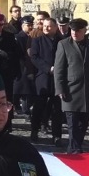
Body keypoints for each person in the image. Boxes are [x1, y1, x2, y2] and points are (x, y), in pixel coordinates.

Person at [54, 18, 89, 154]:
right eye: (73, 30)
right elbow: (59, 69)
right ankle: (75, 150)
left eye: (78, 31)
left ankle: (76, 147)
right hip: (70, 91)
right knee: (72, 123)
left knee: (83, 123)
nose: (74, 33)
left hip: (87, 90)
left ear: (84, 31)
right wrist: (59, 88)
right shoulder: (63, 44)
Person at [30, 17, 62, 145]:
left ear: (55, 27)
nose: (46, 28)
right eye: (44, 26)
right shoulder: (37, 41)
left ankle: (57, 135)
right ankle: (35, 130)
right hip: (43, 77)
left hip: (57, 79)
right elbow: (34, 57)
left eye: (49, 26)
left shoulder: (61, 41)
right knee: (39, 106)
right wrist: (48, 68)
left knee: (57, 108)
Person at [13, 15, 36, 121]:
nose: (31, 27)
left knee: (30, 91)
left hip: (32, 66)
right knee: (25, 91)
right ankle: (25, 111)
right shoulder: (19, 37)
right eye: (28, 25)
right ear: (23, 26)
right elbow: (20, 54)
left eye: (32, 25)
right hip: (22, 67)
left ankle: (26, 109)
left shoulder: (33, 36)